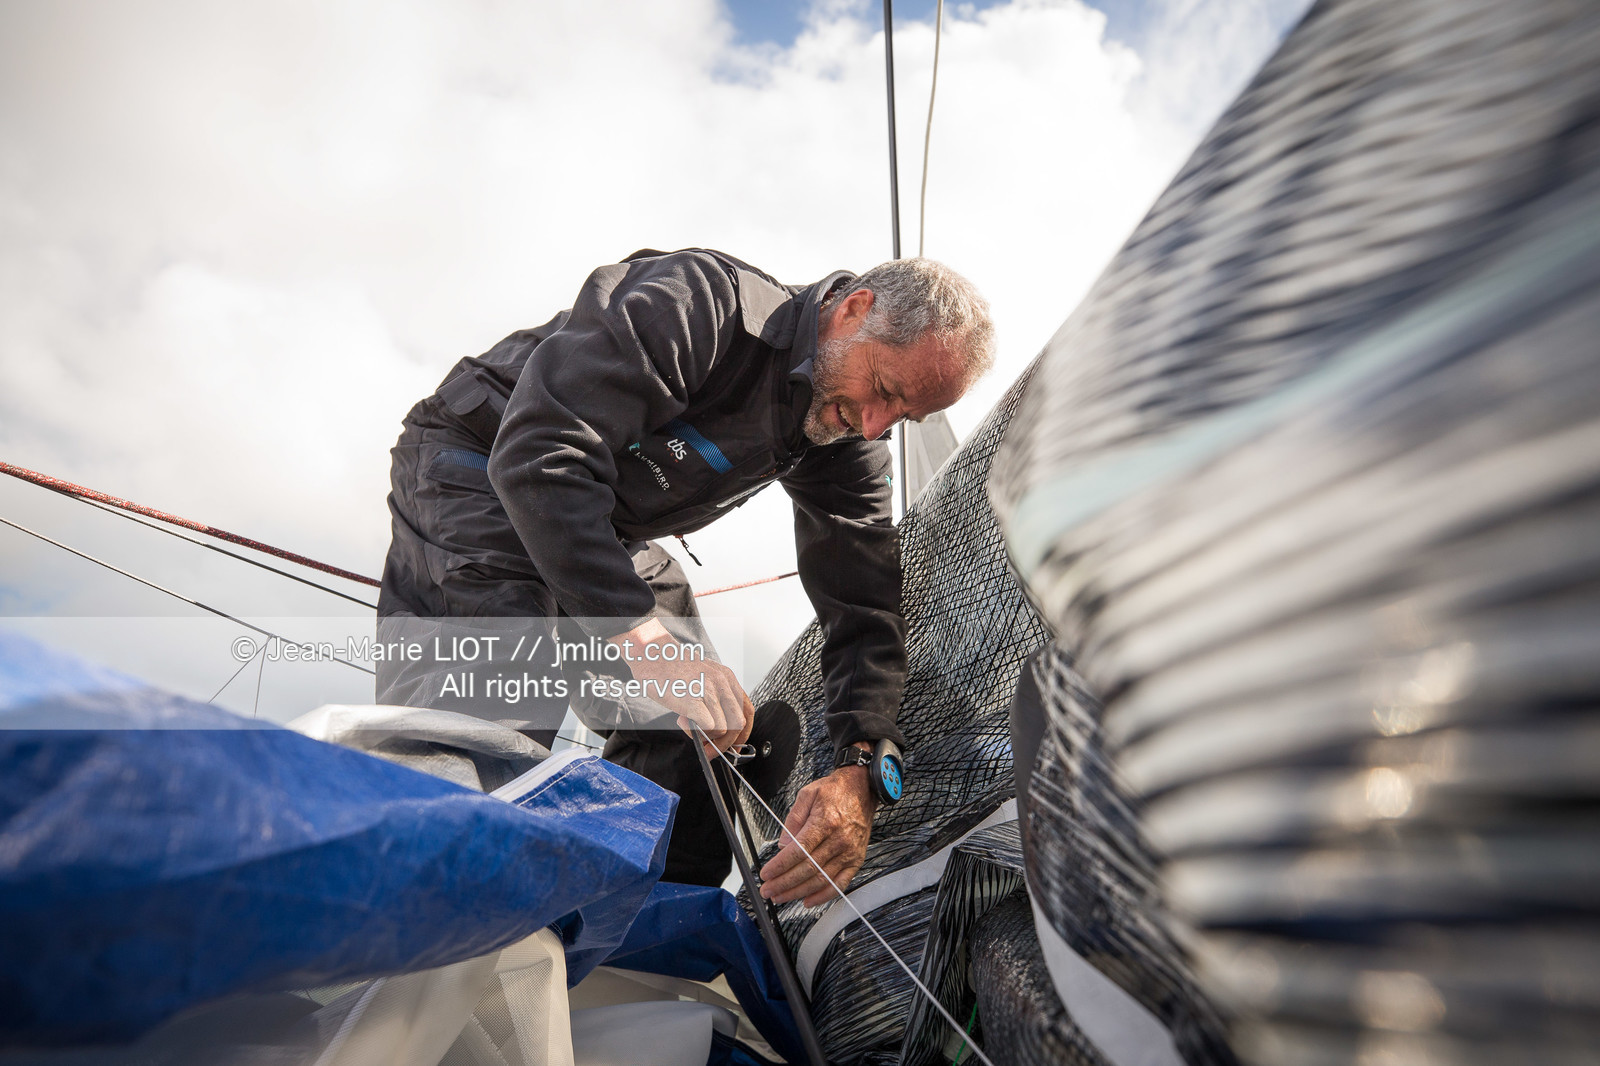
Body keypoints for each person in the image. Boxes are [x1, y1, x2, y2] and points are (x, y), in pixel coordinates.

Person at [376, 247, 993, 901]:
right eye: (886, 391)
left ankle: (626, 936)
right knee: (492, 706)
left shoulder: (845, 436)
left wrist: (861, 766)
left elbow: (864, 603)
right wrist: (645, 641)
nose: (874, 426)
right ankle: (395, 935)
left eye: (903, 418)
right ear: (854, 310)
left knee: (701, 734)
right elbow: (540, 455)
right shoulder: (702, 304)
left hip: (610, 525)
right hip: (481, 460)